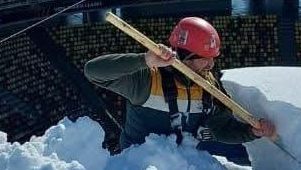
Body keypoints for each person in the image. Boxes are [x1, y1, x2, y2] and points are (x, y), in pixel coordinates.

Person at [84, 15, 277, 152]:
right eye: (205, 58)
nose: (211, 65)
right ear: (186, 57)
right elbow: (93, 72)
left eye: (213, 58)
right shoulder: (147, 80)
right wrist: (144, 60)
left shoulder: (209, 86)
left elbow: (221, 128)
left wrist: (251, 132)